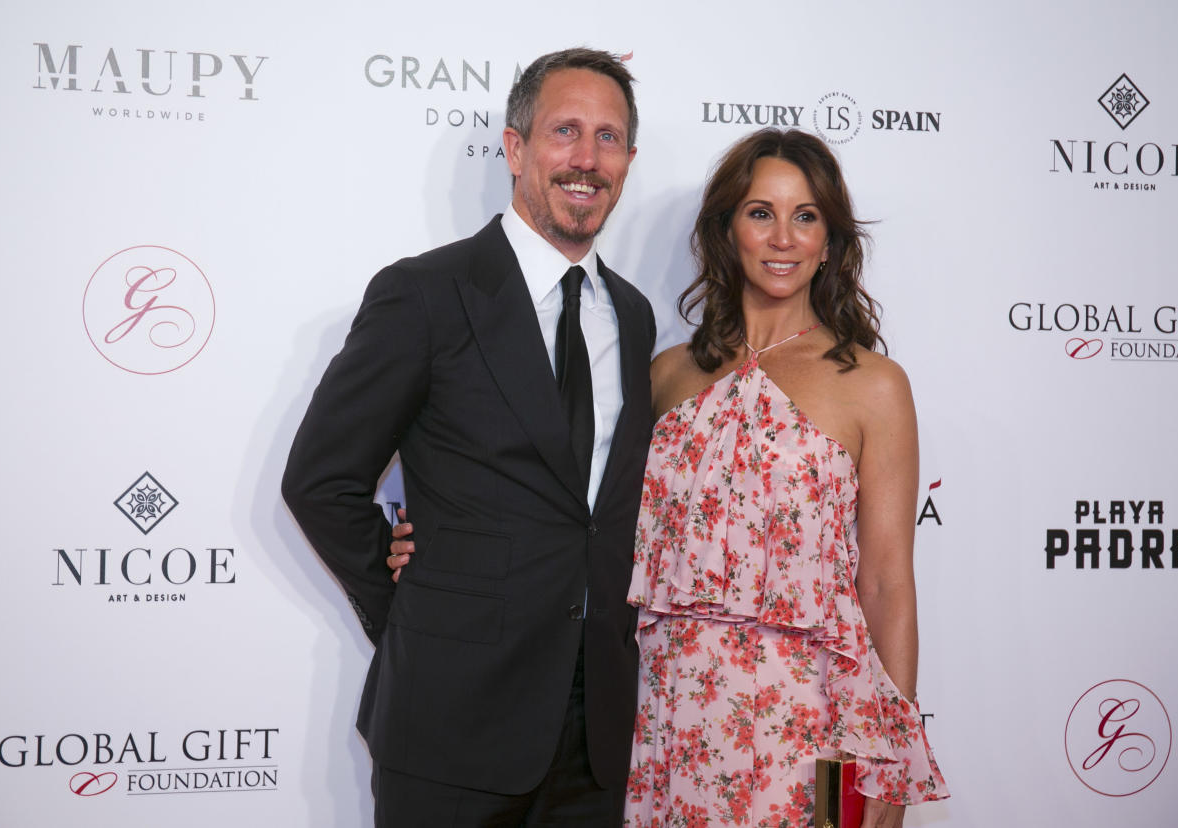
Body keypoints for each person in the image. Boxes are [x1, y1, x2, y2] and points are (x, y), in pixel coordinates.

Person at [282, 47, 655, 827]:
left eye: (610, 138)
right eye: (565, 131)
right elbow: (321, 478)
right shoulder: (426, 293)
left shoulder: (632, 312)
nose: (587, 160)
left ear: (626, 160)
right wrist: (410, 602)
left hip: (598, 730)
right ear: (516, 148)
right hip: (450, 716)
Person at [621, 129, 948, 827]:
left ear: (829, 242)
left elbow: (888, 582)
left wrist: (890, 756)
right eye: (760, 212)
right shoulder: (666, 374)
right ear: (726, 229)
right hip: (668, 712)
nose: (783, 237)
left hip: (805, 722)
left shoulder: (874, 385)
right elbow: (597, 529)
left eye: (806, 217)